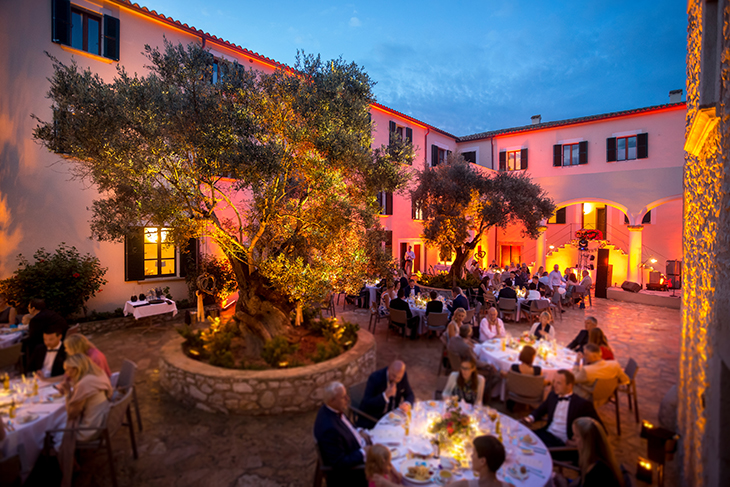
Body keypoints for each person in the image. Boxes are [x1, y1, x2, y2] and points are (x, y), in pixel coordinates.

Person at [522, 370, 603, 448]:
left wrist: (579, 441)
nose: (554, 386)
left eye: (559, 383)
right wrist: (530, 418)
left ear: (569, 386)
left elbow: (600, 429)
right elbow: (541, 410)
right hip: (547, 434)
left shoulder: (582, 404)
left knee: (533, 450)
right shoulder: (552, 396)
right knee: (522, 439)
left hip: (563, 443)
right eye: (554, 381)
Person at [314, 382, 369, 487]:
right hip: (354, 472)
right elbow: (339, 463)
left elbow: (347, 427)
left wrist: (359, 431)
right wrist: (363, 452)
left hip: (359, 445)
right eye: (343, 397)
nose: (347, 399)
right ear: (332, 400)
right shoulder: (330, 429)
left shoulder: (331, 409)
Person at [553, 417, 624, 487]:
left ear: (587, 442)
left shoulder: (598, 473)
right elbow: (581, 480)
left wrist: (563, 484)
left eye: (576, 435)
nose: (573, 438)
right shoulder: (590, 459)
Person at [57, 354, 113, 441]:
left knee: (55, 431)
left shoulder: (84, 384)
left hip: (89, 430)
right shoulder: (99, 373)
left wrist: (67, 393)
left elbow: (72, 414)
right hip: (102, 421)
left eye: (67, 369)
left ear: (76, 369)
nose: (66, 374)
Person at [358, 360, 415, 428]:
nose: (395, 380)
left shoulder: (402, 375)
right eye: (393, 376)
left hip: (393, 419)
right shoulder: (375, 378)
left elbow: (410, 394)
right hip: (374, 419)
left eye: (399, 378)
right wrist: (385, 396)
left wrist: (407, 404)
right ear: (389, 369)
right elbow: (367, 403)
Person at [22, 298, 68, 362]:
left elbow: (33, 337)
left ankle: (29, 366)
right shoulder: (49, 313)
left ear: (33, 309)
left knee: (24, 344)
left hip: (51, 342)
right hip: (60, 337)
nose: (28, 309)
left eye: (29, 307)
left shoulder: (37, 319)